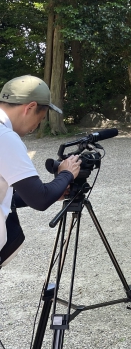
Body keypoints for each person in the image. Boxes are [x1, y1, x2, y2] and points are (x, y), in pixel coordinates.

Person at [0, 75, 81, 268]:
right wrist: (66, 173)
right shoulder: (5, 137)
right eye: (41, 118)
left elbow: (8, 196)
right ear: (29, 108)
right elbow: (40, 199)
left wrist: (55, 190)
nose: (37, 125)